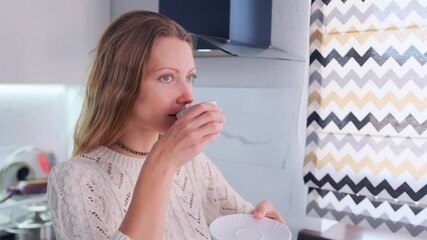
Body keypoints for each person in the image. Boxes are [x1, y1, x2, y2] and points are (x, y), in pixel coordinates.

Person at [47, 10, 284, 240]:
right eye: (167, 77)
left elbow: (244, 225)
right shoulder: (74, 179)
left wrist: (263, 221)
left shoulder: (194, 165)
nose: (187, 95)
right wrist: (162, 162)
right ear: (119, 87)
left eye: (190, 77)